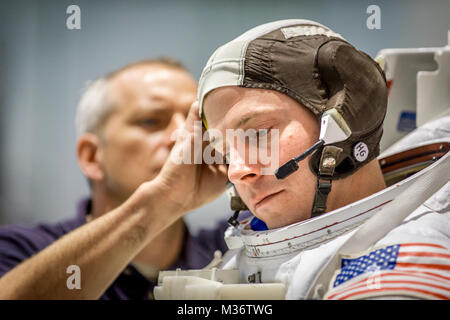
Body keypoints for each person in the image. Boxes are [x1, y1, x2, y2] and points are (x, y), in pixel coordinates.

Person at [155, 19, 450, 300]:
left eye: (258, 133)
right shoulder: (240, 254)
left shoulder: (401, 266)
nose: (236, 172)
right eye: (227, 152)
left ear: (351, 117)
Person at [0, 58, 230, 299]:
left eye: (197, 121)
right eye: (151, 120)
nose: (184, 135)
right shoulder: (20, 251)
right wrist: (160, 202)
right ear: (91, 157)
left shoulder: (234, 251)